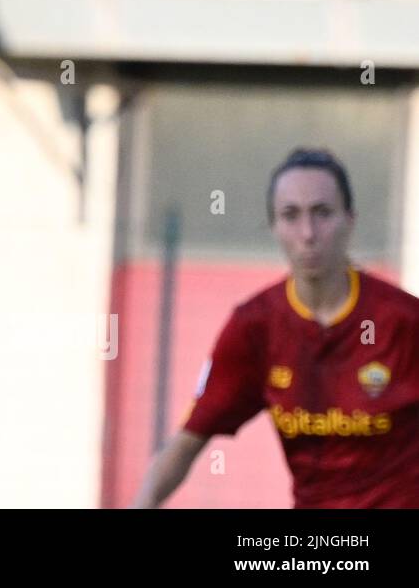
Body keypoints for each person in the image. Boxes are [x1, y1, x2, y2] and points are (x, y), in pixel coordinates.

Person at [133, 148, 419, 508]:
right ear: (274, 226)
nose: (308, 233)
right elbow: (187, 441)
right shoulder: (255, 327)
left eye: (323, 213)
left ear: (350, 220)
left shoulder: (404, 321)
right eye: (290, 215)